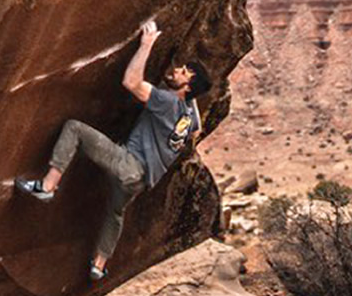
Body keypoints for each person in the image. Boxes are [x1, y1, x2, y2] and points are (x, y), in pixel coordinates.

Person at [16, 19, 210, 279]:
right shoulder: (188, 115)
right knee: (115, 213)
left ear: (186, 87)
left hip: (129, 165)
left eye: (183, 72)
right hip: (140, 182)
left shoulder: (166, 102)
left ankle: (47, 187)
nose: (177, 70)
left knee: (74, 129)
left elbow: (131, 82)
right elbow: (196, 129)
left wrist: (146, 45)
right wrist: (191, 97)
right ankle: (99, 264)